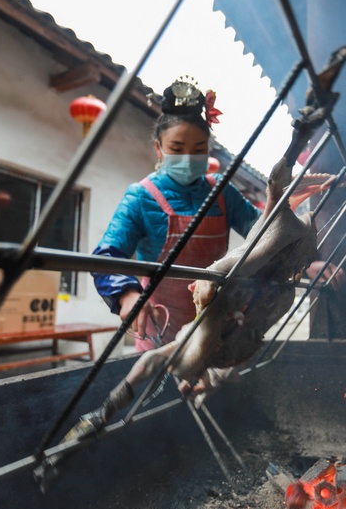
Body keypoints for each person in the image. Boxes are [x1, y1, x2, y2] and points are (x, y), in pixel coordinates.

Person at [91, 78, 261, 351]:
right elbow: (107, 256)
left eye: (198, 150)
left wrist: (301, 258)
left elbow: (262, 233)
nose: (188, 158)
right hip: (160, 329)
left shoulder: (222, 191)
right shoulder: (141, 196)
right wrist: (128, 294)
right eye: (177, 149)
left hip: (216, 321)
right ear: (159, 148)